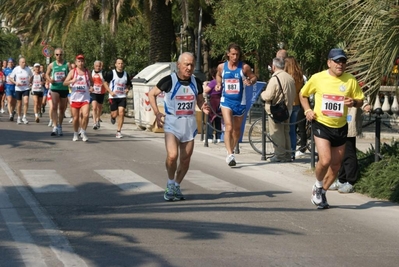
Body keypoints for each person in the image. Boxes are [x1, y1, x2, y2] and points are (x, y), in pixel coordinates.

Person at [299, 48, 364, 209]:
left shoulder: (350, 80)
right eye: (337, 61)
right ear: (329, 63)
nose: (340, 65)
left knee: (336, 165)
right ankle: (318, 184)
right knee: (326, 159)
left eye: (343, 61)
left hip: (340, 126)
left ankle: (321, 191)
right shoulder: (318, 78)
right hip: (321, 123)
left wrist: (353, 102)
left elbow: (360, 100)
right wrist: (308, 110)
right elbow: (303, 94)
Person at [148, 52, 210, 201]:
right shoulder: (169, 80)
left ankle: (176, 185)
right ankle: (170, 183)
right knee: (172, 155)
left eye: (191, 65)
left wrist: (203, 107)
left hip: (189, 124)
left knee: (185, 160)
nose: (189, 68)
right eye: (186, 65)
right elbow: (151, 94)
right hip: (172, 123)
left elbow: (200, 100)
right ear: (179, 65)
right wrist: (157, 113)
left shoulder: (196, 82)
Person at [215, 43, 257, 166]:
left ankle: (231, 149)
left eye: (237, 54)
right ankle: (230, 154)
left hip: (240, 102)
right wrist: (218, 84)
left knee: (237, 130)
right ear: (228, 54)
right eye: (233, 54)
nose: (235, 57)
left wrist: (250, 81)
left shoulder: (244, 67)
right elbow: (218, 75)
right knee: (229, 126)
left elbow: (254, 77)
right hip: (226, 101)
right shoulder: (222, 67)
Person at [330, 100, 371, 193]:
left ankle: (350, 181)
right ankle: (342, 180)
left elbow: (359, 96)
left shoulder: (351, 85)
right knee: (341, 154)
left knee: (349, 153)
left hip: (348, 122)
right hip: (337, 121)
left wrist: (365, 105)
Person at [261, 57, 296, 162]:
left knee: (277, 133)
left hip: (276, 110)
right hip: (288, 108)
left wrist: (262, 94)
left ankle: (279, 155)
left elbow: (268, 96)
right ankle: (288, 154)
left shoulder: (274, 79)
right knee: (286, 132)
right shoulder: (290, 78)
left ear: (274, 66)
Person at [63, 54, 93, 142]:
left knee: (86, 115)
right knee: (75, 118)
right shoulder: (73, 72)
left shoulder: (87, 72)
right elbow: (64, 83)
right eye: (79, 61)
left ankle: (83, 132)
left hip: (85, 98)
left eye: (82, 61)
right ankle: (75, 133)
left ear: (84, 62)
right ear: (76, 62)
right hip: (75, 98)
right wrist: (72, 81)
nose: (81, 63)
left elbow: (91, 82)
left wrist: (91, 87)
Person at [103, 57, 132, 138]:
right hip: (113, 97)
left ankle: (118, 131)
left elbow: (128, 84)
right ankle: (112, 117)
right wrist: (110, 91)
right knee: (114, 114)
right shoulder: (111, 73)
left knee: (122, 112)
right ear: (115, 64)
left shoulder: (126, 74)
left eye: (122, 63)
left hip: (122, 96)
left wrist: (127, 89)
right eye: (118, 63)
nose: (120, 65)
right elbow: (105, 83)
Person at [46, 48, 70, 136]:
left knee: (62, 109)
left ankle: (60, 126)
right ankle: (55, 126)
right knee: (54, 106)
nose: (58, 56)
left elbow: (72, 74)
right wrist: (49, 80)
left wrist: (66, 78)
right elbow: (46, 74)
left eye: (60, 54)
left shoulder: (67, 64)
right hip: (55, 88)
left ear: (62, 55)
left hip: (63, 88)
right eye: (57, 54)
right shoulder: (52, 65)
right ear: (54, 55)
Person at [284, 56, 305, 160]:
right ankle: (292, 152)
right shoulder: (300, 76)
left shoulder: (287, 77)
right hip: (297, 103)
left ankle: (285, 151)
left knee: (284, 129)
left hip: (288, 104)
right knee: (292, 130)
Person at [9, 57, 33, 124]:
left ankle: (24, 117)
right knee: (19, 104)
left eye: (25, 62)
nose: (24, 64)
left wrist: (30, 82)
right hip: (18, 88)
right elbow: (10, 78)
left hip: (26, 88)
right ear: (19, 63)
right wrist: (15, 82)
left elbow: (31, 76)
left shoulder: (28, 69)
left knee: (26, 101)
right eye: (22, 62)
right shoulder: (16, 69)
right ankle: (19, 117)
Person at [203, 67, 222, 143]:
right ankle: (219, 137)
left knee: (210, 118)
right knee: (218, 119)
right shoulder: (222, 82)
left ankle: (209, 137)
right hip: (220, 100)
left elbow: (206, 90)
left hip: (213, 100)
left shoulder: (214, 82)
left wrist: (205, 85)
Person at [91, 60, 106, 130]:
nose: (98, 67)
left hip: (101, 92)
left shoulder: (103, 73)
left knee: (99, 108)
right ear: (94, 66)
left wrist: (103, 85)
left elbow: (106, 82)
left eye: (99, 66)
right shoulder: (91, 72)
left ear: (101, 66)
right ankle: (94, 123)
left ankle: (98, 119)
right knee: (94, 107)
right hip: (93, 92)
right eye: (96, 66)